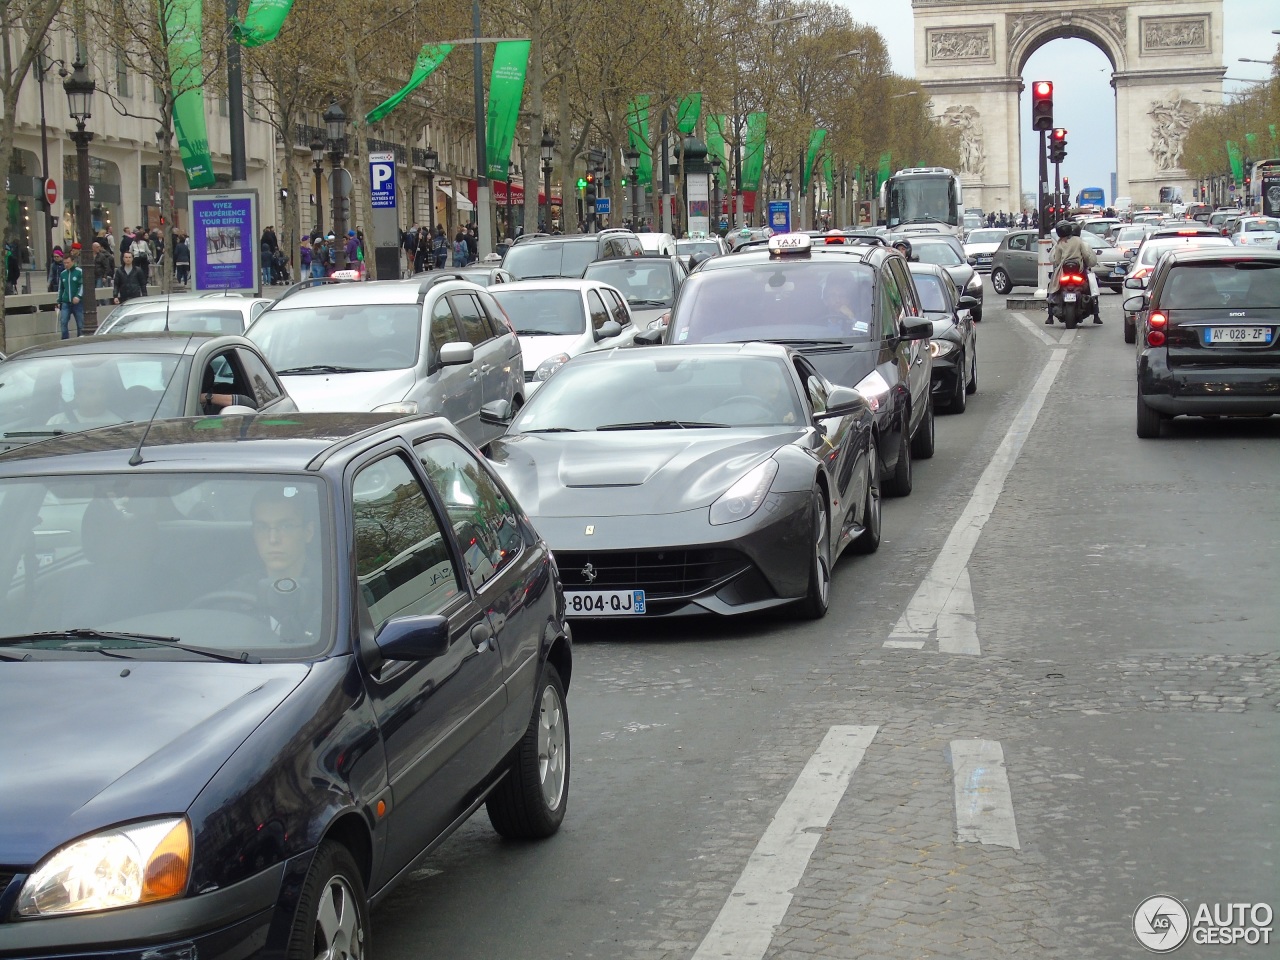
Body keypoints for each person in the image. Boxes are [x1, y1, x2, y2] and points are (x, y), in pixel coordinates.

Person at [232, 485, 322, 643]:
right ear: (254, 534)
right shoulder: (233, 596)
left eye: (285, 526)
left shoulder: (336, 593)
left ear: (308, 532)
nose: (273, 539)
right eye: (262, 527)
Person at [1046, 220, 1099, 325]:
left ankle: (1050, 316)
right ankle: (1096, 315)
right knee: (1093, 285)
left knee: (1051, 287)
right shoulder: (1079, 241)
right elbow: (1086, 256)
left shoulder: (1059, 243)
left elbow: (1055, 260)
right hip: (1079, 271)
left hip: (1063, 271)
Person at [46, 364, 124, 428]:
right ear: (77, 398)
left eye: (102, 391)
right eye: (91, 392)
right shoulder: (56, 422)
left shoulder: (117, 424)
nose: (99, 397)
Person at [56, 244, 85, 339]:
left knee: (80, 323)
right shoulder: (63, 274)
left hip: (77, 302)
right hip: (66, 302)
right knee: (63, 322)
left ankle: (80, 339)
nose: (66, 265)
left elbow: (82, 285)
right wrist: (59, 301)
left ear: (73, 262)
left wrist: (78, 296)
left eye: (68, 263)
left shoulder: (79, 272)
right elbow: (61, 288)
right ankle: (65, 340)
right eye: (64, 263)